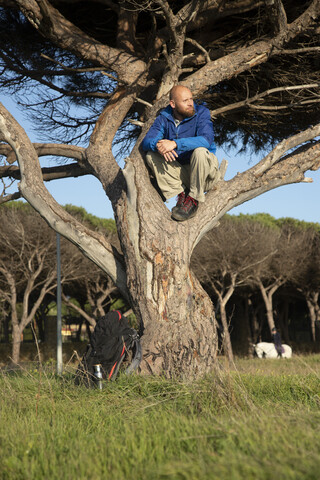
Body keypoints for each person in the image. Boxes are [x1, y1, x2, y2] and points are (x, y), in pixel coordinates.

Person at [141, 85, 220, 221]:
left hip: (205, 175)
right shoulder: (164, 118)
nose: (190, 103)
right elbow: (147, 141)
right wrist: (158, 146)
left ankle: (194, 199)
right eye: (185, 101)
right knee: (151, 155)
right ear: (173, 104)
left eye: (191, 99)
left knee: (200, 151)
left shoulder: (201, 112)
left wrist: (175, 143)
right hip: (184, 174)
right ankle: (181, 195)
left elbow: (206, 140)